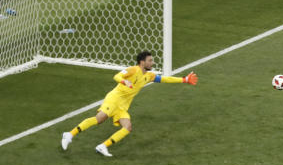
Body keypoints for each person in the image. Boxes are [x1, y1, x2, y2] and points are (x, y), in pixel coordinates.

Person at [60, 51, 197, 157]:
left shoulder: (149, 76)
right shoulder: (133, 69)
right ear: (142, 62)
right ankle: (69, 135)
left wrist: (184, 79)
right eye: (150, 60)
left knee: (128, 127)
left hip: (123, 105)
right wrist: (124, 81)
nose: (153, 63)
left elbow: (165, 79)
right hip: (114, 99)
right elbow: (117, 76)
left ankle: (103, 146)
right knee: (99, 119)